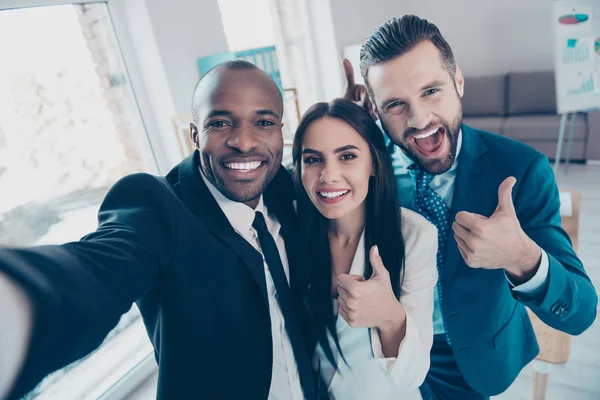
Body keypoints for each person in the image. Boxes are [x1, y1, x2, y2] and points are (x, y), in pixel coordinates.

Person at [0, 60, 319, 400]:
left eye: (264, 122)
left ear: (280, 131)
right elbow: (94, 271)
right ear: (195, 134)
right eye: (221, 123)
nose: (244, 142)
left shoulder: (281, 186)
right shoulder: (157, 207)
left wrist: (352, 122)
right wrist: (17, 303)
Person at [341, 15, 598, 400]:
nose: (420, 119)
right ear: (375, 111)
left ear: (458, 81)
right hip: (382, 353)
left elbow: (580, 311)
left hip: (471, 361)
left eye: (431, 91)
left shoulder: (521, 169)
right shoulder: (361, 165)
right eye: (396, 103)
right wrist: (342, 128)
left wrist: (522, 257)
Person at [292, 98, 438, 400]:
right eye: (313, 159)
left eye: (347, 156)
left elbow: (414, 373)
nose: (328, 175)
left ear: (374, 163)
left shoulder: (414, 236)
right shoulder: (289, 229)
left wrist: (389, 317)